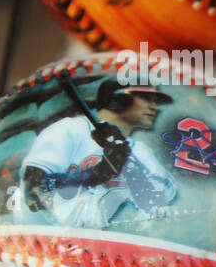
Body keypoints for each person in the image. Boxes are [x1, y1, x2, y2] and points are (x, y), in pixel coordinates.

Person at [21, 80, 177, 229]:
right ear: (118, 99)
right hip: (50, 241)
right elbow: (34, 189)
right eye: (146, 98)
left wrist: (129, 165)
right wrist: (99, 173)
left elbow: (157, 209)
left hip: (103, 247)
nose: (155, 107)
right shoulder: (70, 129)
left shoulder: (140, 151)